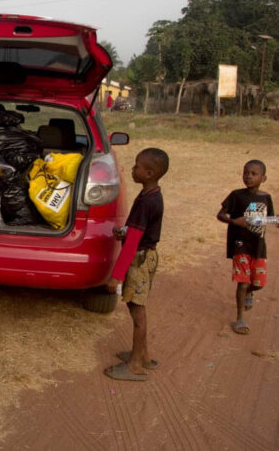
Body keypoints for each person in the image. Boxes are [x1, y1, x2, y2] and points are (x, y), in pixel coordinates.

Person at [104, 148, 169, 382]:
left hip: (139, 259)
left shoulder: (147, 202)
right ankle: (142, 354)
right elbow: (136, 232)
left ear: (150, 173)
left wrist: (117, 276)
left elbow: (132, 244)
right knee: (137, 308)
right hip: (144, 255)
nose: (133, 170)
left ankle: (135, 365)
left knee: (137, 311)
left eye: (137, 167)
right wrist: (124, 231)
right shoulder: (150, 195)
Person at [216, 160, 279, 336]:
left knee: (258, 284)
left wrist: (278, 221)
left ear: (264, 177)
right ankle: (240, 318)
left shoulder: (265, 198)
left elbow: (269, 218)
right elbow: (220, 215)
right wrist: (233, 221)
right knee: (242, 282)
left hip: (259, 245)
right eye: (246, 172)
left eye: (254, 174)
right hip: (240, 244)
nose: (249, 176)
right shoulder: (236, 196)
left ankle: (249, 293)